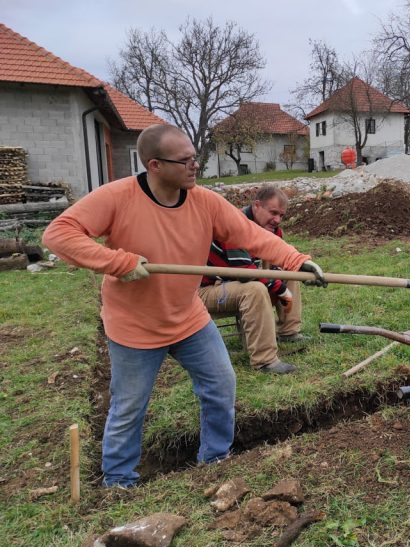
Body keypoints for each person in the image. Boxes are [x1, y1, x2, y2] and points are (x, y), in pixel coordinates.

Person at [42, 124, 326, 488]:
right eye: (185, 160)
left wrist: (295, 260)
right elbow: (58, 234)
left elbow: (251, 235)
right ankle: (119, 481)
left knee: (221, 385)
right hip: (134, 326)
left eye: (196, 157)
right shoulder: (117, 197)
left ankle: (215, 460)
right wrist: (118, 262)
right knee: (129, 408)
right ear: (155, 165)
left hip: (188, 316)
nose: (195, 166)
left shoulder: (204, 201)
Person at [198, 186, 307, 374]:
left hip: (237, 282)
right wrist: (279, 289)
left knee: (290, 274)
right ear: (257, 205)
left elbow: (273, 264)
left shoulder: (272, 229)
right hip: (208, 289)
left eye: (281, 215)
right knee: (255, 289)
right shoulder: (234, 225)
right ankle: (265, 361)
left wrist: (283, 275)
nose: (277, 220)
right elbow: (243, 272)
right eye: (273, 213)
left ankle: (289, 332)